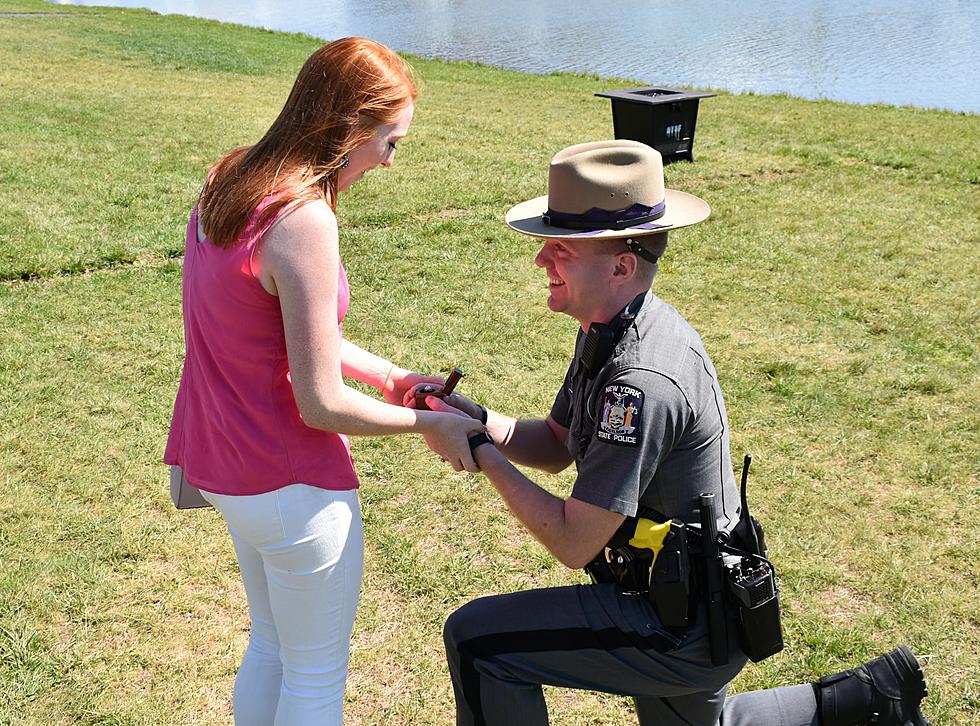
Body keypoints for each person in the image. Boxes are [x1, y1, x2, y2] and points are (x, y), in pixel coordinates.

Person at [422, 140, 931, 725]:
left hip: (675, 623)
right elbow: (556, 445)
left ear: (621, 265)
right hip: (694, 605)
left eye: (561, 249)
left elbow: (572, 542)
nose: (542, 260)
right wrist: (475, 420)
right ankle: (872, 698)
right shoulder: (611, 326)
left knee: (479, 643)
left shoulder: (639, 379)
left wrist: (480, 452)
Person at [163, 38, 485, 725]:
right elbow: (320, 403)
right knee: (313, 675)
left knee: (273, 646)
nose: (391, 162)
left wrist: (394, 377)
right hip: (289, 485)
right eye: (389, 142)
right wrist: (436, 423)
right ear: (347, 128)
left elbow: (287, 334)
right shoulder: (303, 217)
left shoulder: (231, 179)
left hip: (226, 467)